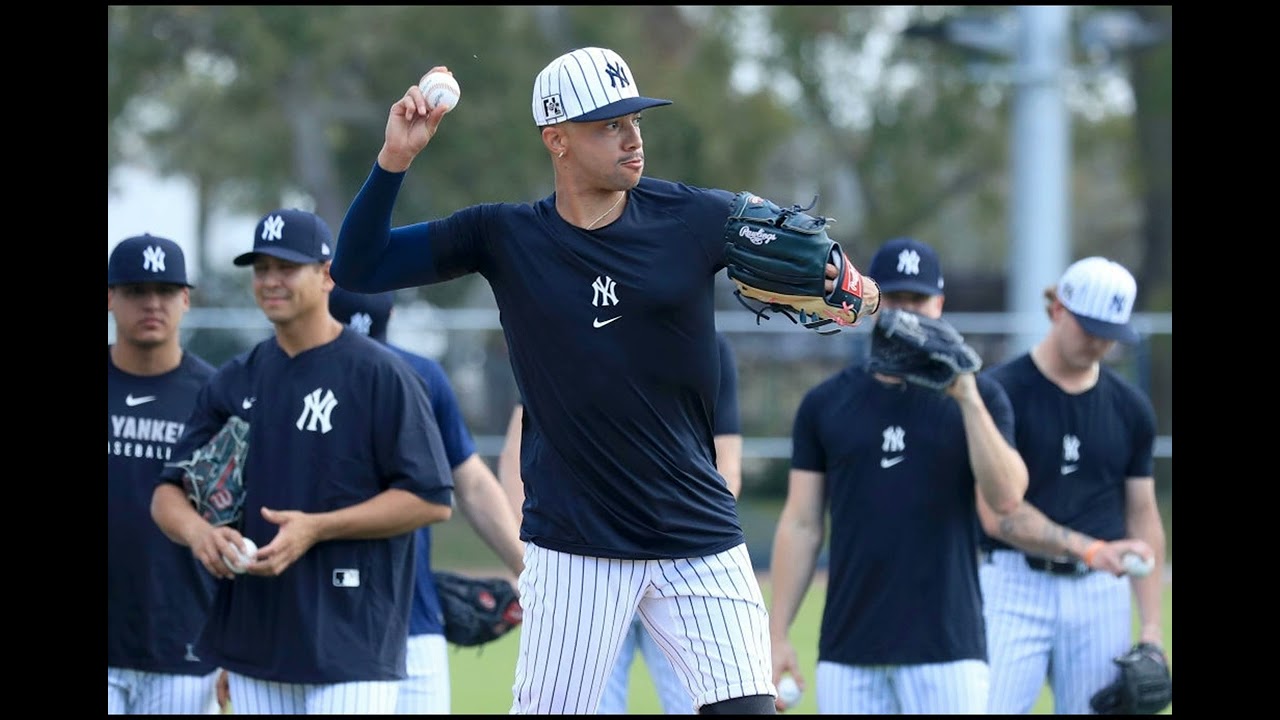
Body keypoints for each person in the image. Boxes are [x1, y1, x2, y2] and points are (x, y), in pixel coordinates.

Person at [330, 46, 868, 714]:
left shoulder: (695, 218)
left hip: (697, 529)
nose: (632, 135)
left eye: (635, 118)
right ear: (556, 139)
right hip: (576, 545)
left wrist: (856, 292)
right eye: (607, 124)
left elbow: (827, 274)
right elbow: (359, 266)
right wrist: (395, 160)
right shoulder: (504, 236)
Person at [151, 208, 456, 715]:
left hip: (352, 642)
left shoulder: (380, 374)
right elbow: (168, 492)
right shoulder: (235, 379)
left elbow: (429, 499)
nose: (271, 280)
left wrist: (317, 528)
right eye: (261, 268)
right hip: (255, 641)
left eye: (286, 267)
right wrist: (199, 533)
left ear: (326, 275)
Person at [768, 237, 1029, 714]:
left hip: (949, 651)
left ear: (940, 304)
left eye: (919, 300)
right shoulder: (825, 403)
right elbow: (802, 524)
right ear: (870, 303)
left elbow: (1007, 499)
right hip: (850, 651)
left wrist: (965, 393)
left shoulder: (983, 398)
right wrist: (777, 634)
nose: (908, 314)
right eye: (895, 299)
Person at [497, 333, 742, 715]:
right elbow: (517, 450)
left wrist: (697, 535)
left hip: (678, 556)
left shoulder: (704, 341)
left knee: (695, 704)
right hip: (587, 559)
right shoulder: (565, 329)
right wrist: (528, 554)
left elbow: (728, 464)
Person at [978, 256, 1166, 715]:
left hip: (1100, 593)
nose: (1100, 341)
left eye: (1111, 332)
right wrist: (1089, 548)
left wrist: (1153, 630)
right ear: (1058, 308)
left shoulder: (1131, 407)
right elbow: (998, 513)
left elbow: (1142, 513)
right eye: (1090, 327)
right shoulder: (999, 392)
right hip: (1012, 581)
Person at [327, 285, 526, 714]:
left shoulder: (421, 376)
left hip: (413, 616)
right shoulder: (291, 376)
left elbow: (471, 481)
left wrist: (530, 575)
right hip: (326, 621)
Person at [108, 234, 221, 714]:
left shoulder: (218, 395)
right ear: (110, 297)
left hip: (185, 642)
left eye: (166, 290)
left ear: (186, 299)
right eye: (135, 291)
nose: (152, 303)